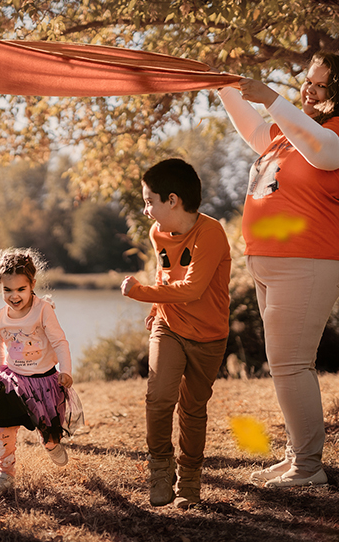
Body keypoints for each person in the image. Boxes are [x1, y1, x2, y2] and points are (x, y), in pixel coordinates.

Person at [217, 51, 339, 488]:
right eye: (307, 81)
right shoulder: (288, 132)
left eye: (321, 85)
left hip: (310, 261)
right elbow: (254, 131)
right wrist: (223, 86)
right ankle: (297, 455)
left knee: (291, 364)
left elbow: (322, 154)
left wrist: (270, 97)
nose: (310, 90)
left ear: (338, 93)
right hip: (272, 263)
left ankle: (309, 466)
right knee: (285, 364)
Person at [121, 158, 231, 508]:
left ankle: (189, 481)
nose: (146, 209)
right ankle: (159, 470)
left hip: (208, 335)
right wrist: (156, 308)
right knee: (158, 398)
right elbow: (164, 274)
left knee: (193, 410)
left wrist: (140, 293)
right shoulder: (157, 233)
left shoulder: (210, 233)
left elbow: (192, 289)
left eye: (149, 201)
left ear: (172, 200)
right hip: (169, 325)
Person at [0, 248, 84, 493]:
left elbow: (60, 342)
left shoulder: (43, 310)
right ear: (0, 287)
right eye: (7, 290)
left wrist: (66, 370)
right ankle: (5, 472)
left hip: (44, 381)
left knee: (50, 432)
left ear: (32, 285)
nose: (14, 296)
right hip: (13, 381)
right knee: (5, 427)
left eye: (21, 289)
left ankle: (51, 443)